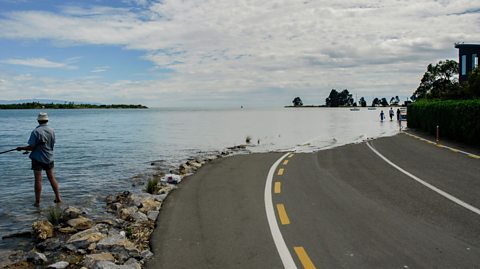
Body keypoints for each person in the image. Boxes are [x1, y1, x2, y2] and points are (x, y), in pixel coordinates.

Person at [17, 112, 62, 207]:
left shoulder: (35, 131)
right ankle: (58, 198)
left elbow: (31, 147)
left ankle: (37, 202)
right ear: (47, 120)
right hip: (49, 157)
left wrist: (21, 148)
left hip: (37, 159)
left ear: (38, 120)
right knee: (51, 177)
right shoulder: (52, 130)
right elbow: (52, 144)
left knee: (38, 180)